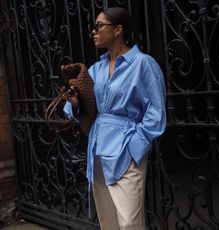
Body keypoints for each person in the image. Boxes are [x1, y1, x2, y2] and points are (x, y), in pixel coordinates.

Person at [64, 7, 166, 230]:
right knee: (108, 221)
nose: (94, 31)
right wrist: (75, 103)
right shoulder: (95, 69)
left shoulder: (143, 64)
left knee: (129, 222)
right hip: (98, 148)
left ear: (118, 30)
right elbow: (76, 109)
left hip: (126, 150)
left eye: (99, 26)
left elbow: (155, 113)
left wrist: (134, 148)